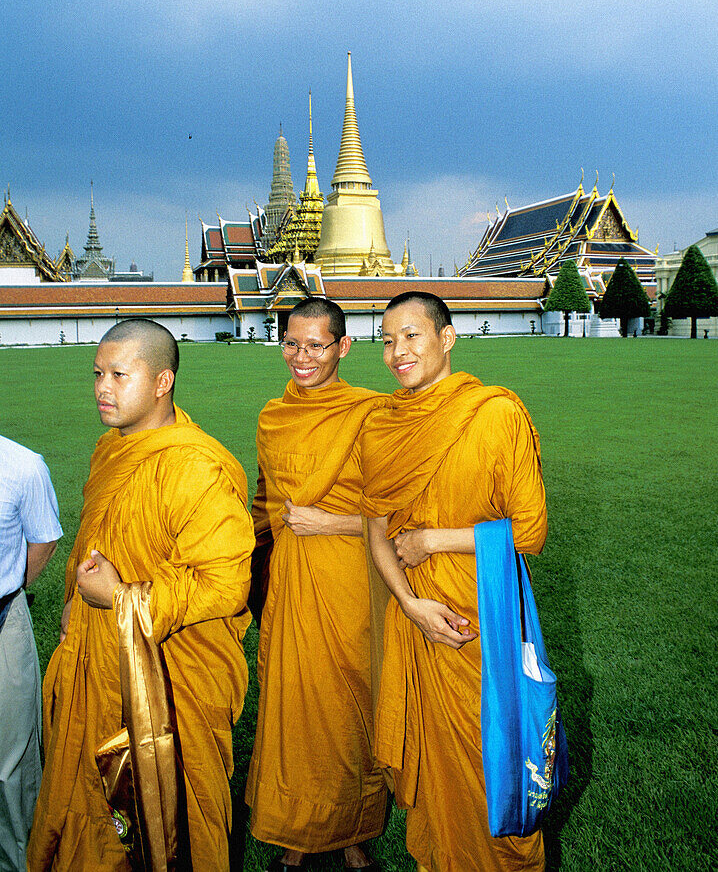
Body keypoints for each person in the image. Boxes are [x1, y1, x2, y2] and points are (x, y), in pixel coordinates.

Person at [28, 318, 254, 871]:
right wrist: (73, 607)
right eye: (98, 374)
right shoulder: (112, 450)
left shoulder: (195, 467)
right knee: (90, 812)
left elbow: (226, 583)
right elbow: (96, 541)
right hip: (96, 658)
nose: (103, 388)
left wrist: (123, 596)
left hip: (170, 679)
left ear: (161, 381)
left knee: (172, 820)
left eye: (119, 375)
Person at [360, 292, 548, 872]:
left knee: (491, 760)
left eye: (412, 336)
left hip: (481, 616)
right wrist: (410, 602)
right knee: (436, 769)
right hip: (416, 613)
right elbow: (374, 526)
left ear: (447, 339)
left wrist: (433, 540)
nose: (398, 352)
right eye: (388, 340)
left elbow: (531, 530)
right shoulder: (383, 425)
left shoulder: (495, 413)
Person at [245, 298, 387, 872]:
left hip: (351, 581)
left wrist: (330, 521)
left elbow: (403, 513)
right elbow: (262, 503)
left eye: (315, 346)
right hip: (289, 584)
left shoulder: (373, 414)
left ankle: (352, 833)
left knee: (350, 707)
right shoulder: (271, 416)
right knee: (293, 709)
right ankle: (299, 834)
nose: (301, 358)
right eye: (291, 344)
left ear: (343, 347)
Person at [0, 435, 62, 872]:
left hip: (3, 619)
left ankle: (19, 860)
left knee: (13, 758)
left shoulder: (22, 466)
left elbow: (43, 542)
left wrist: (10, 591)